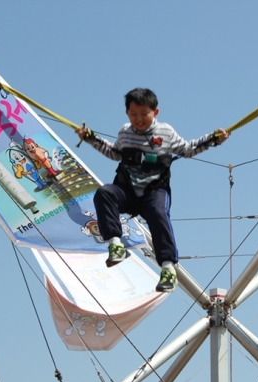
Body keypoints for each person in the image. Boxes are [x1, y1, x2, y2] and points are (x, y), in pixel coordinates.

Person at [75, 88, 230, 292]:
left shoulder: (165, 132)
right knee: (104, 193)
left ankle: (167, 267)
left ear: (155, 112)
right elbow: (114, 153)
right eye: (133, 114)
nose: (138, 119)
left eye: (144, 114)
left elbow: (188, 149)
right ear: (127, 114)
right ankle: (115, 242)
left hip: (154, 191)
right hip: (127, 190)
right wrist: (90, 138)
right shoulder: (125, 132)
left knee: (158, 214)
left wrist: (212, 139)